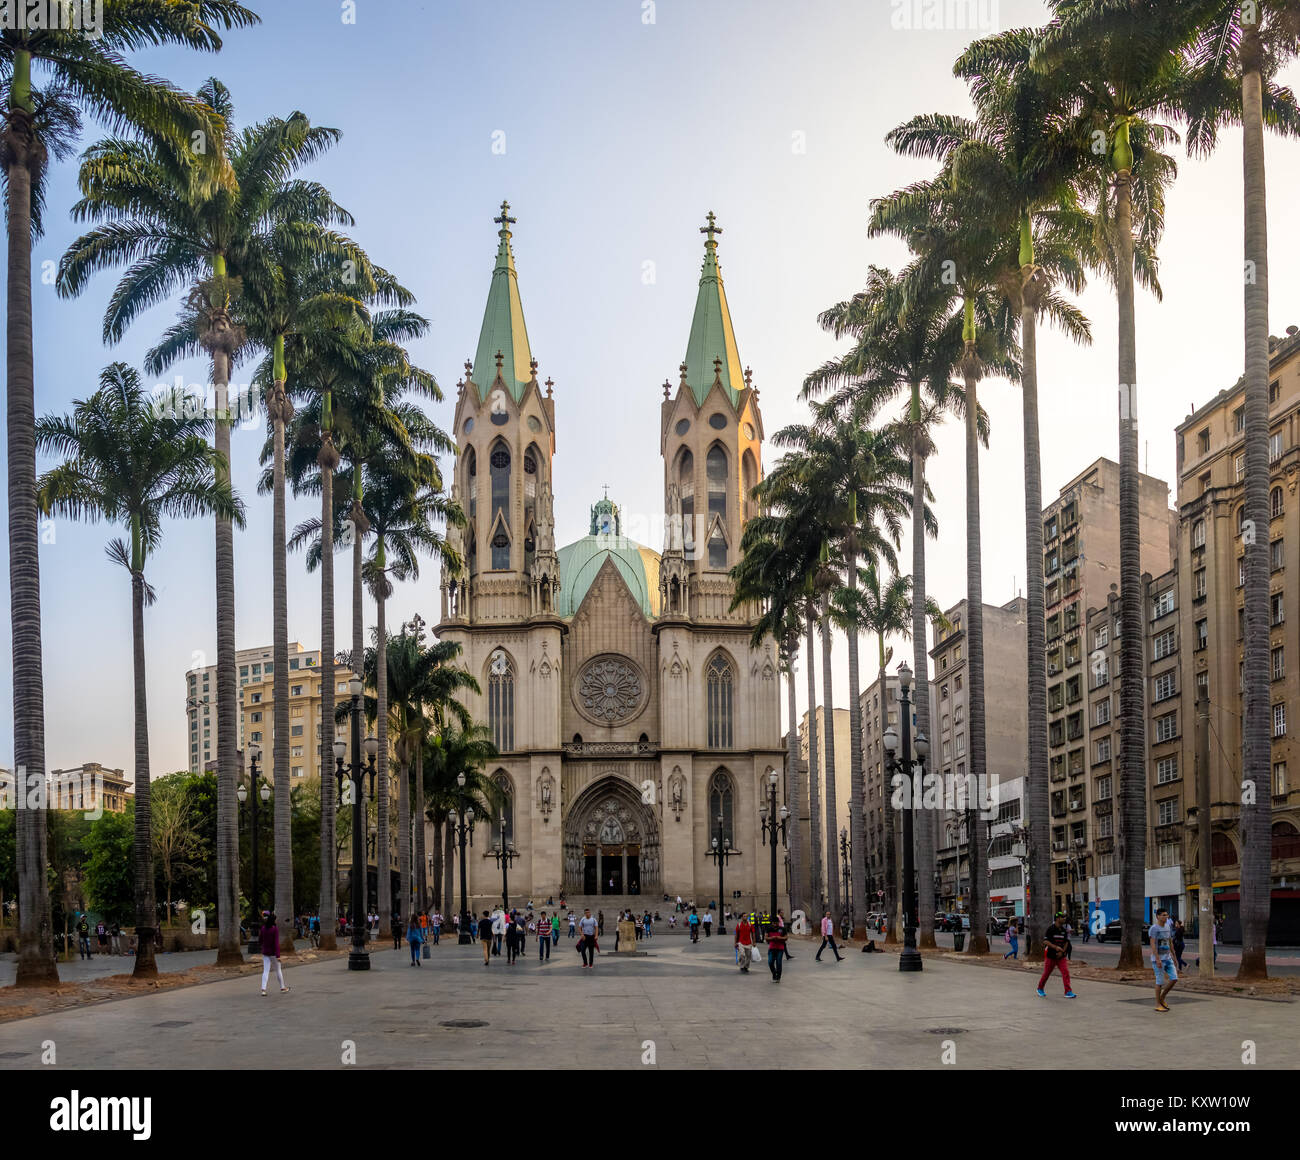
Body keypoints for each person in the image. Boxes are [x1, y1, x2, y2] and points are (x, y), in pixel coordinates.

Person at [1036, 912, 1076, 999]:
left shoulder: (1063, 930)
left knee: (1065, 972)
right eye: (1062, 917)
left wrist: (1062, 952)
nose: (1064, 919)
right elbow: (1045, 941)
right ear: (1057, 918)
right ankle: (1040, 988)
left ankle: (1068, 991)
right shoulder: (1051, 929)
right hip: (1051, 956)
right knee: (1046, 973)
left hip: (1061, 957)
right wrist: (1056, 947)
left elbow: (1066, 942)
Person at [1150, 907, 1178, 1012]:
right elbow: (1152, 944)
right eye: (1163, 915)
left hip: (1168, 958)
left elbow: (1170, 941)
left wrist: (1174, 956)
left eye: (1166, 915)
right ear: (1158, 916)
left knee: (1174, 978)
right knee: (1159, 981)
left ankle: (1162, 997)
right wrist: (1157, 959)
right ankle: (1157, 1004)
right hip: (1158, 959)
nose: (1166, 917)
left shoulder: (1167, 926)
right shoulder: (1154, 928)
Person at [260, 911, 289, 995]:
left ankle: (263, 989)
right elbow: (276, 943)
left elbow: (260, 940)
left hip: (265, 953)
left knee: (265, 971)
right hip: (273, 953)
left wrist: (263, 946)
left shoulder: (263, 928)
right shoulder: (274, 929)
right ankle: (282, 987)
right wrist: (278, 955)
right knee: (278, 970)